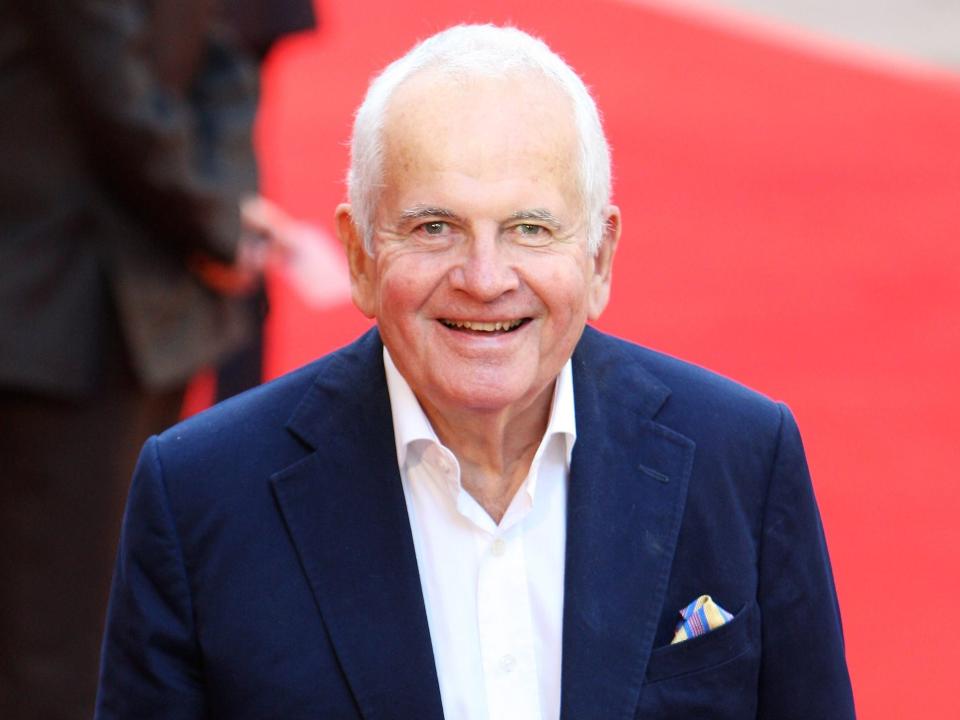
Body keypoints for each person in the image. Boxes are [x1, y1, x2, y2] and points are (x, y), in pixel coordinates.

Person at [95, 24, 856, 719]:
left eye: (531, 228)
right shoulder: (200, 496)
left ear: (599, 258)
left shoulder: (742, 460)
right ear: (360, 257)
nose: (485, 278)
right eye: (434, 227)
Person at [0, 1, 267, 716]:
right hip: (55, 316)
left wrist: (227, 214)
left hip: (129, 319)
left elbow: (219, 55)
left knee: (99, 627)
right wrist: (219, 220)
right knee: (55, 643)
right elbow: (115, 93)